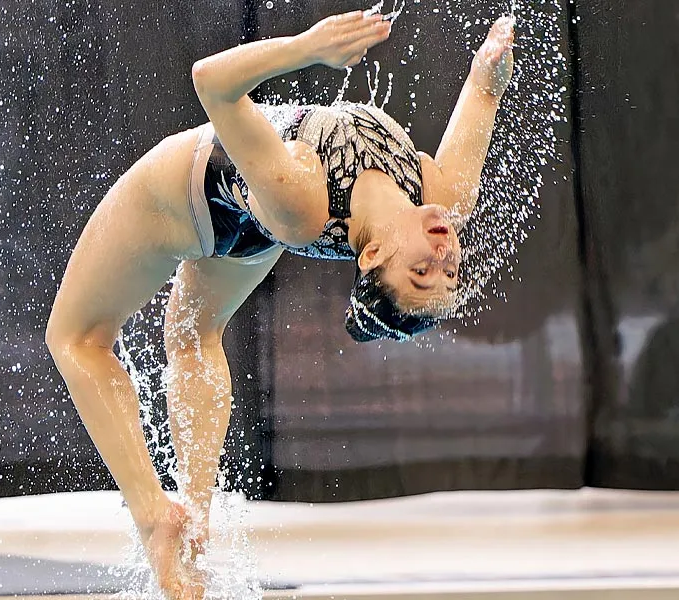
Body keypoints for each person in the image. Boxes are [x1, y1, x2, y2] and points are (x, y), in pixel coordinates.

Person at [46, 9, 515, 600]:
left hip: (181, 194)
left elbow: (211, 81)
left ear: (369, 256)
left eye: (420, 268)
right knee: (194, 337)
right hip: (248, 227)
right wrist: (492, 64)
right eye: (447, 268)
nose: (444, 249)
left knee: (76, 339)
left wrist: (306, 47)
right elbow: (482, 90)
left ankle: (154, 516)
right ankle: (195, 518)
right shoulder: (441, 198)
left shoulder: (304, 198)